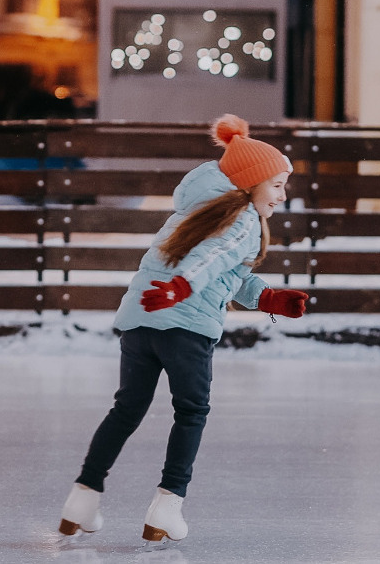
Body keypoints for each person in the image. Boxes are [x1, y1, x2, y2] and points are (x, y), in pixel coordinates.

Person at [58, 114, 308, 544]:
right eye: (278, 185)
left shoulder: (195, 212)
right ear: (251, 183)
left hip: (141, 322)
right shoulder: (245, 219)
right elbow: (211, 260)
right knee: (191, 412)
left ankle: (82, 500)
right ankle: (166, 508)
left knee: (126, 410)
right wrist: (181, 288)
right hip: (185, 327)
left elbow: (225, 271)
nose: (282, 197)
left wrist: (267, 298)